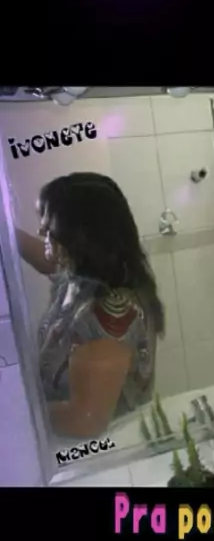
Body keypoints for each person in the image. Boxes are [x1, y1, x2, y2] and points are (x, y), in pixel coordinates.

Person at [16, 172, 164, 440]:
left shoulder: (111, 313)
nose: (41, 230)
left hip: (102, 450)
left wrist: (16, 413)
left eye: (50, 222)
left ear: (80, 234)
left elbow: (84, 420)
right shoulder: (81, 276)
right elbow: (47, 261)